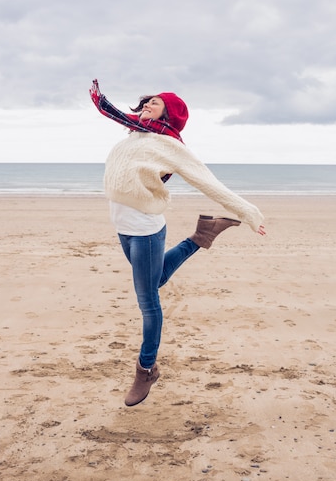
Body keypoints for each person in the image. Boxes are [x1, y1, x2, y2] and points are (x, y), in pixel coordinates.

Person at [89, 80, 266, 407]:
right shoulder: (134, 135)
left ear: (169, 114)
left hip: (145, 227)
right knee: (154, 280)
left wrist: (248, 212)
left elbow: (207, 181)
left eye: (154, 104)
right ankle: (203, 234)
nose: (145, 107)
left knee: (148, 300)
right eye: (145, 103)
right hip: (123, 226)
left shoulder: (171, 146)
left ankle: (146, 369)